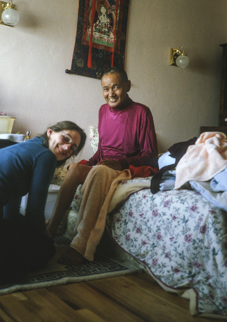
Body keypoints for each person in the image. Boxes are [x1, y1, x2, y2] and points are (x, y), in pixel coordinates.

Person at [46, 67, 158, 265]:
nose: (111, 93)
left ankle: (80, 245)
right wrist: (86, 165)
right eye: (106, 89)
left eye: (116, 87)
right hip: (104, 166)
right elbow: (102, 151)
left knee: (98, 170)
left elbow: (150, 156)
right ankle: (52, 228)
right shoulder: (102, 110)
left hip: (126, 168)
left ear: (128, 86)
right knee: (75, 170)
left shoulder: (142, 112)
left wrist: (121, 162)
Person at [0, 121, 86, 285]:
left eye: (73, 149)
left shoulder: (19, 149)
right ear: (50, 132)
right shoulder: (45, 156)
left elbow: (10, 213)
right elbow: (34, 212)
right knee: (44, 250)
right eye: (66, 139)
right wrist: (43, 238)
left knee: (12, 234)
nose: (68, 148)